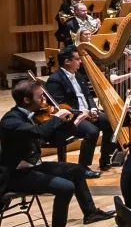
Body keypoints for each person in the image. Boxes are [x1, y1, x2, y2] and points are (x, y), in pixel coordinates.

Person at [0, 80, 114, 227]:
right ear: (26, 100)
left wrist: (77, 121)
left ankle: (91, 213)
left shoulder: (33, 115)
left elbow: (56, 140)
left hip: (34, 167)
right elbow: (40, 133)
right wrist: (55, 118)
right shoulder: (11, 120)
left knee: (77, 171)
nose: (44, 100)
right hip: (16, 174)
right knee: (66, 187)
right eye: (40, 97)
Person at [45, 45, 114, 176]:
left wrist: (92, 108)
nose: (80, 61)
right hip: (72, 117)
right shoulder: (55, 80)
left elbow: (88, 95)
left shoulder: (79, 75)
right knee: (92, 132)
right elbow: (61, 106)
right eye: (77, 59)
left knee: (110, 121)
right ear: (67, 61)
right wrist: (82, 113)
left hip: (87, 112)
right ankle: (83, 167)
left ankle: (105, 159)